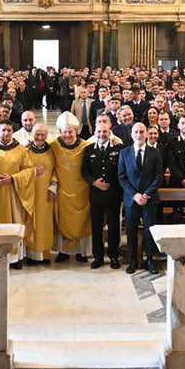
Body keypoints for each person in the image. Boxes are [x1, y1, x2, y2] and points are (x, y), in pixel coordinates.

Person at [0, 121, 39, 269]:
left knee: (15, 223)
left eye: (9, 130)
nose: (6, 134)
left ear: (13, 131)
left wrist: (13, 178)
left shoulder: (21, 150)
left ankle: (16, 258)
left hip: (14, 192)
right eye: (3, 130)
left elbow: (29, 170)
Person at [118, 123, 163, 275]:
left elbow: (158, 176)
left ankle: (149, 259)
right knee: (131, 230)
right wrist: (135, 195)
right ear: (132, 134)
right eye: (136, 132)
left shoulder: (155, 152)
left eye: (142, 132)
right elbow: (122, 177)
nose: (139, 135)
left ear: (146, 134)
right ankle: (132, 260)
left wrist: (146, 194)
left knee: (150, 230)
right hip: (132, 200)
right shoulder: (124, 153)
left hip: (149, 199)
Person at [50, 113, 92, 263]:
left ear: (76, 131)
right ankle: (64, 251)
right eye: (65, 132)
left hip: (82, 190)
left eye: (71, 131)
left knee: (82, 221)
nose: (68, 135)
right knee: (62, 219)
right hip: (63, 189)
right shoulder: (53, 145)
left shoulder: (86, 146)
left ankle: (82, 252)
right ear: (60, 132)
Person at [83, 122, 123, 269]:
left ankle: (114, 256)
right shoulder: (88, 150)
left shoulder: (118, 149)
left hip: (113, 194)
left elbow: (122, 169)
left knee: (114, 227)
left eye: (105, 132)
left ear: (109, 133)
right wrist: (93, 182)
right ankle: (98, 257)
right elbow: (84, 171)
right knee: (96, 227)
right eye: (99, 132)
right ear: (95, 133)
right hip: (96, 195)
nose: (101, 135)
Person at [25, 124, 57, 264]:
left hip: (45, 194)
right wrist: (32, 173)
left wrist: (53, 188)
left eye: (42, 135)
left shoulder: (52, 151)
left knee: (44, 223)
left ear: (46, 136)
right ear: (31, 134)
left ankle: (44, 254)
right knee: (31, 222)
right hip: (29, 193)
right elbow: (20, 169)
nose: (39, 138)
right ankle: (31, 255)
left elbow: (56, 170)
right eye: (36, 134)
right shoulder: (25, 150)